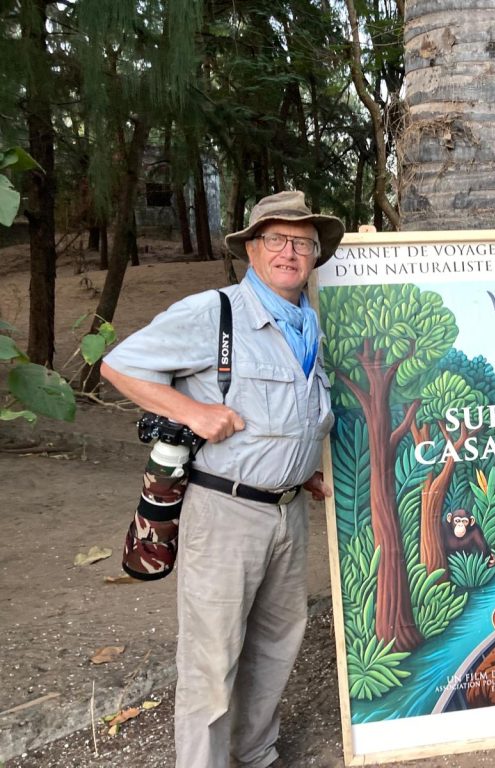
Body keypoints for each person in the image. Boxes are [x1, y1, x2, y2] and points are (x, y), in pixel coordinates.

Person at [101, 190, 343, 767]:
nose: (290, 251)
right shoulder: (216, 313)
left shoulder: (310, 326)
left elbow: (295, 415)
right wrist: (194, 413)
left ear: (314, 254)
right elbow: (119, 364)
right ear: (253, 249)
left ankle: (255, 754)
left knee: (278, 645)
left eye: (302, 242)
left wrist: (301, 466)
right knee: (211, 660)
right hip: (224, 512)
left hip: (287, 513)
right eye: (277, 239)